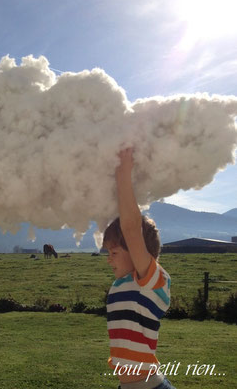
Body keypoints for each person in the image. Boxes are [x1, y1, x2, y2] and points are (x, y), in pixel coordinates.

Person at [103, 148, 175, 389]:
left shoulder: (154, 283)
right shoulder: (121, 285)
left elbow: (131, 228)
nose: (108, 259)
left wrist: (123, 173)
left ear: (137, 252)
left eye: (114, 253)